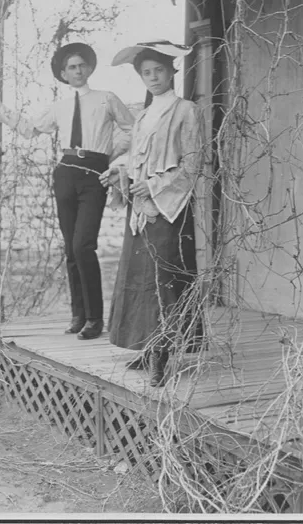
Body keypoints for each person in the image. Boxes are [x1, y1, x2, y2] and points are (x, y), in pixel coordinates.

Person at [0, 42, 135, 340]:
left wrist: (115, 157)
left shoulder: (106, 98)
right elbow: (31, 129)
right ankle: (79, 315)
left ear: (90, 68)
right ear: (63, 73)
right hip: (65, 174)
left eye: (82, 65)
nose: (78, 71)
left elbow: (132, 129)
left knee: (84, 245)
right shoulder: (58, 106)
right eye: (72, 67)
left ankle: (96, 319)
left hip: (94, 176)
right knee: (71, 248)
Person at [99, 40, 205, 386]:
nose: (153, 77)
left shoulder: (186, 110)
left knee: (165, 278)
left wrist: (155, 187)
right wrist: (119, 173)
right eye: (146, 72)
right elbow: (136, 160)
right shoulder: (143, 115)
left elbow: (193, 165)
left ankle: (164, 354)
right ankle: (147, 346)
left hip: (168, 210)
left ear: (171, 71)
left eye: (158, 70)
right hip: (140, 210)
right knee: (140, 278)